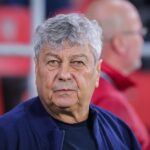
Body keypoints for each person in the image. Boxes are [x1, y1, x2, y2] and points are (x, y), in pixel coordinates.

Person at [0, 13, 141, 150]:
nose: (64, 74)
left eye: (77, 62)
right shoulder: (6, 135)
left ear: (97, 72)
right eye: (53, 62)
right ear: (37, 69)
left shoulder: (120, 133)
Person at [85, 0, 150, 149]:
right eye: (139, 33)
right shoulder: (109, 101)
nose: (142, 40)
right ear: (120, 43)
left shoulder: (83, 88)